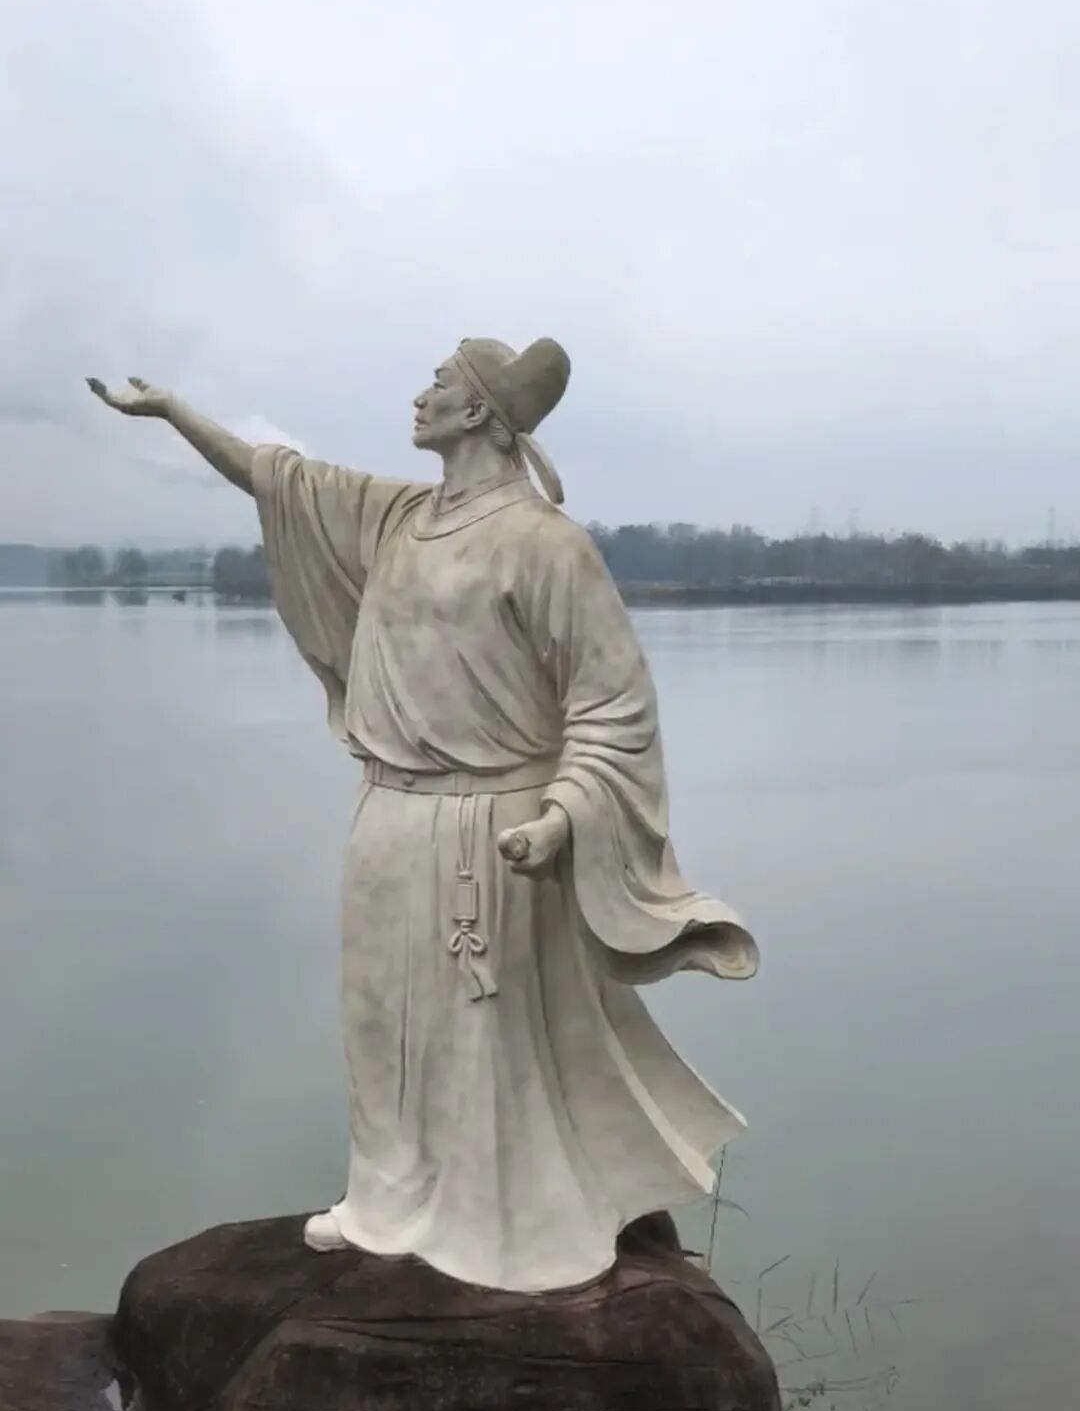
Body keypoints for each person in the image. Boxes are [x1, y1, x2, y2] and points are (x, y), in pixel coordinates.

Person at [87, 337, 759, 1292]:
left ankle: (500, 1217)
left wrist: (563, 816)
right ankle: (387, 1198)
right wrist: (173, 411)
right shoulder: (400, 518)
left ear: (478, 410)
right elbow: (279, 479)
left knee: (482, 1038)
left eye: (439, 382)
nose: (419, 395)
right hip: (388, 813)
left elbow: (612, 703)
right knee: (379, 1024)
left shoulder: (547, 543)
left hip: (496, 832)